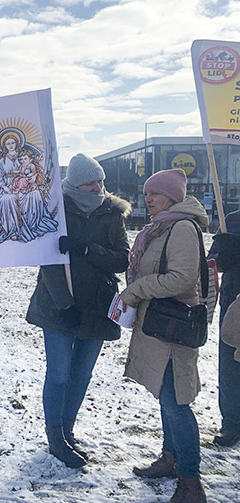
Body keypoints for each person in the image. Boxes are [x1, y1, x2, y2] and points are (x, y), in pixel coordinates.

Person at [26, 153, 130, 468]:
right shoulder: (56, 210)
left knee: (81, 374)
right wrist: (64, 304)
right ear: (74, 183)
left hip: (98, 305)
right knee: (58, 374)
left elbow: (121, 259)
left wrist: (87, 249)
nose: (98, 187)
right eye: (90, 182)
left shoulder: (112, 212)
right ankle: (55, 436)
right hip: (60, 306)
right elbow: (49, 264)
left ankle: (68, 430)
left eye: (100, 180)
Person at [120, 168, 207, 503]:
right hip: (159, 326)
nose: (148, 200)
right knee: (165, 396)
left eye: (153, 194)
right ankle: (170, 458)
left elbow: (183, 278)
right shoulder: (161, 227)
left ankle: (190, 481)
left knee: (176, 403)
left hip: (174, 329)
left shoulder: (182, 227)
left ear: (170, 196)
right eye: (145, 195)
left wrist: (138, 289)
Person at [205, 213, 240, 448]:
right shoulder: (234, 221)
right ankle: (232, 423)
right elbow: (212, 261)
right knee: (230, 364)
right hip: (234, 305)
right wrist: (225, 252)